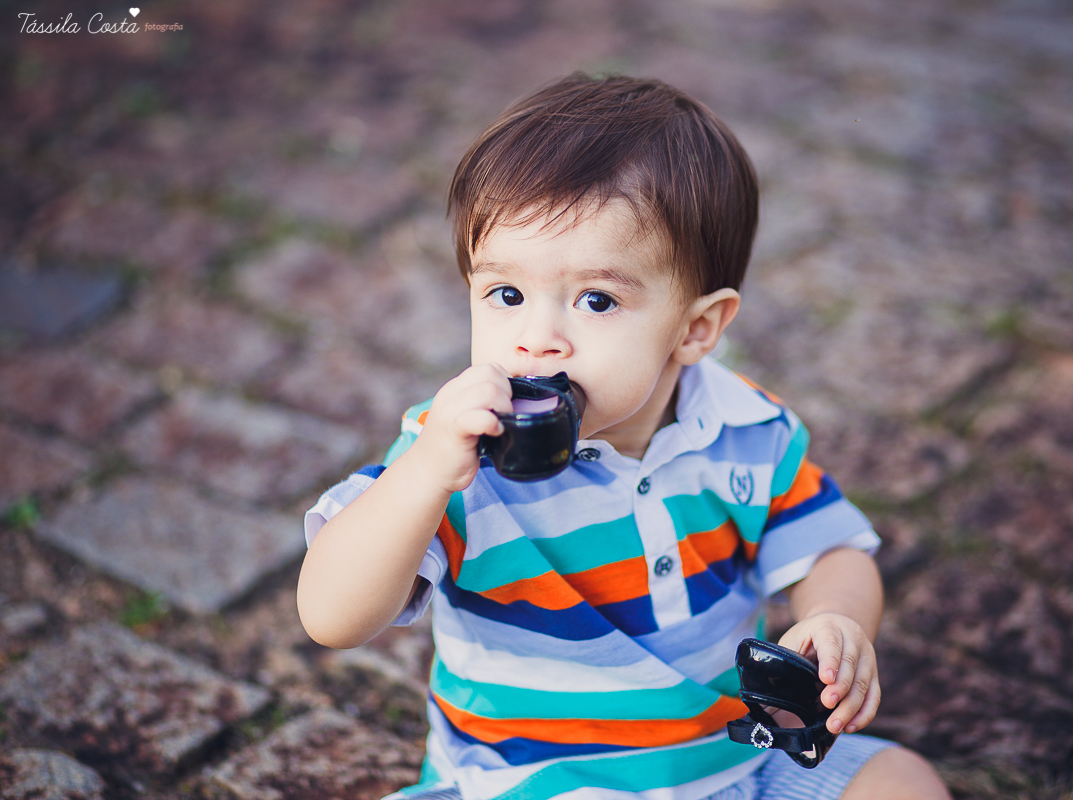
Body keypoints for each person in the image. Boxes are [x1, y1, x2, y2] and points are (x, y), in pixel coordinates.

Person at [297, 73, 951, 800]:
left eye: (596, 300)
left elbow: (827, 548)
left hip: (731, 766)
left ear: (696, 329)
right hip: (531, 781)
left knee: (902, 781)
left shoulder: (745, 431)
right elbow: (331, 616)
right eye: (505, 295)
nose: (537, 341)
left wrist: (835, 621)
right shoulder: (453, 456)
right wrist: (420, 477)